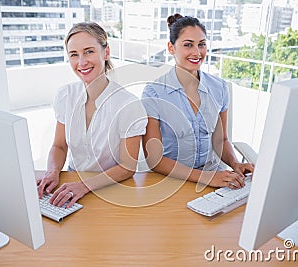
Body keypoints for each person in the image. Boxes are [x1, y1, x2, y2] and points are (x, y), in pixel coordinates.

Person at [37, 22, 147, 207]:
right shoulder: (65, 96)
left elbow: (127, 167)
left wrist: (84, 186)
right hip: (72, 183)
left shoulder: (129, 105)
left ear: (106, 52)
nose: (81, 62)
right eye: (74, 54)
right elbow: (59, 146)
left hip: (111, 187)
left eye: (89, 51)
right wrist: (53, 171)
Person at [142, 14, 254, 189]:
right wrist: (206, 177)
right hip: (173, 180)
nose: (197, 52)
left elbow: (221, 140)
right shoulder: (154, 93)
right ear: (171, 48)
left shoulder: (219, 88)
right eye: (188, 45)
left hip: (215, 176)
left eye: (201, 44)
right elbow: (154, 160)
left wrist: (235, 164)